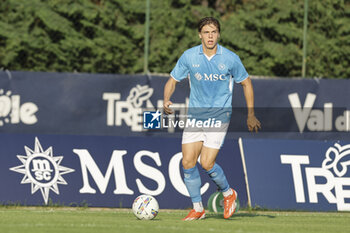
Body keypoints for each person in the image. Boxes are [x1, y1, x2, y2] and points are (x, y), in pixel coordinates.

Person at [163, 17, 261, 220]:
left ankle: (228, 194)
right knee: (188, 162)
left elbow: (247, 83)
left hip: (219, 115)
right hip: (196, 116)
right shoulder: (189, 56)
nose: (210, 36)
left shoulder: (230, 58)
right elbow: (172, 80)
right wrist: (166, 99)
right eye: (206, 32)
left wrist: (251, 114)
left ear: (219, 34)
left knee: (206, 163)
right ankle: (198, 208)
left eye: (214, 32)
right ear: (200, 34)